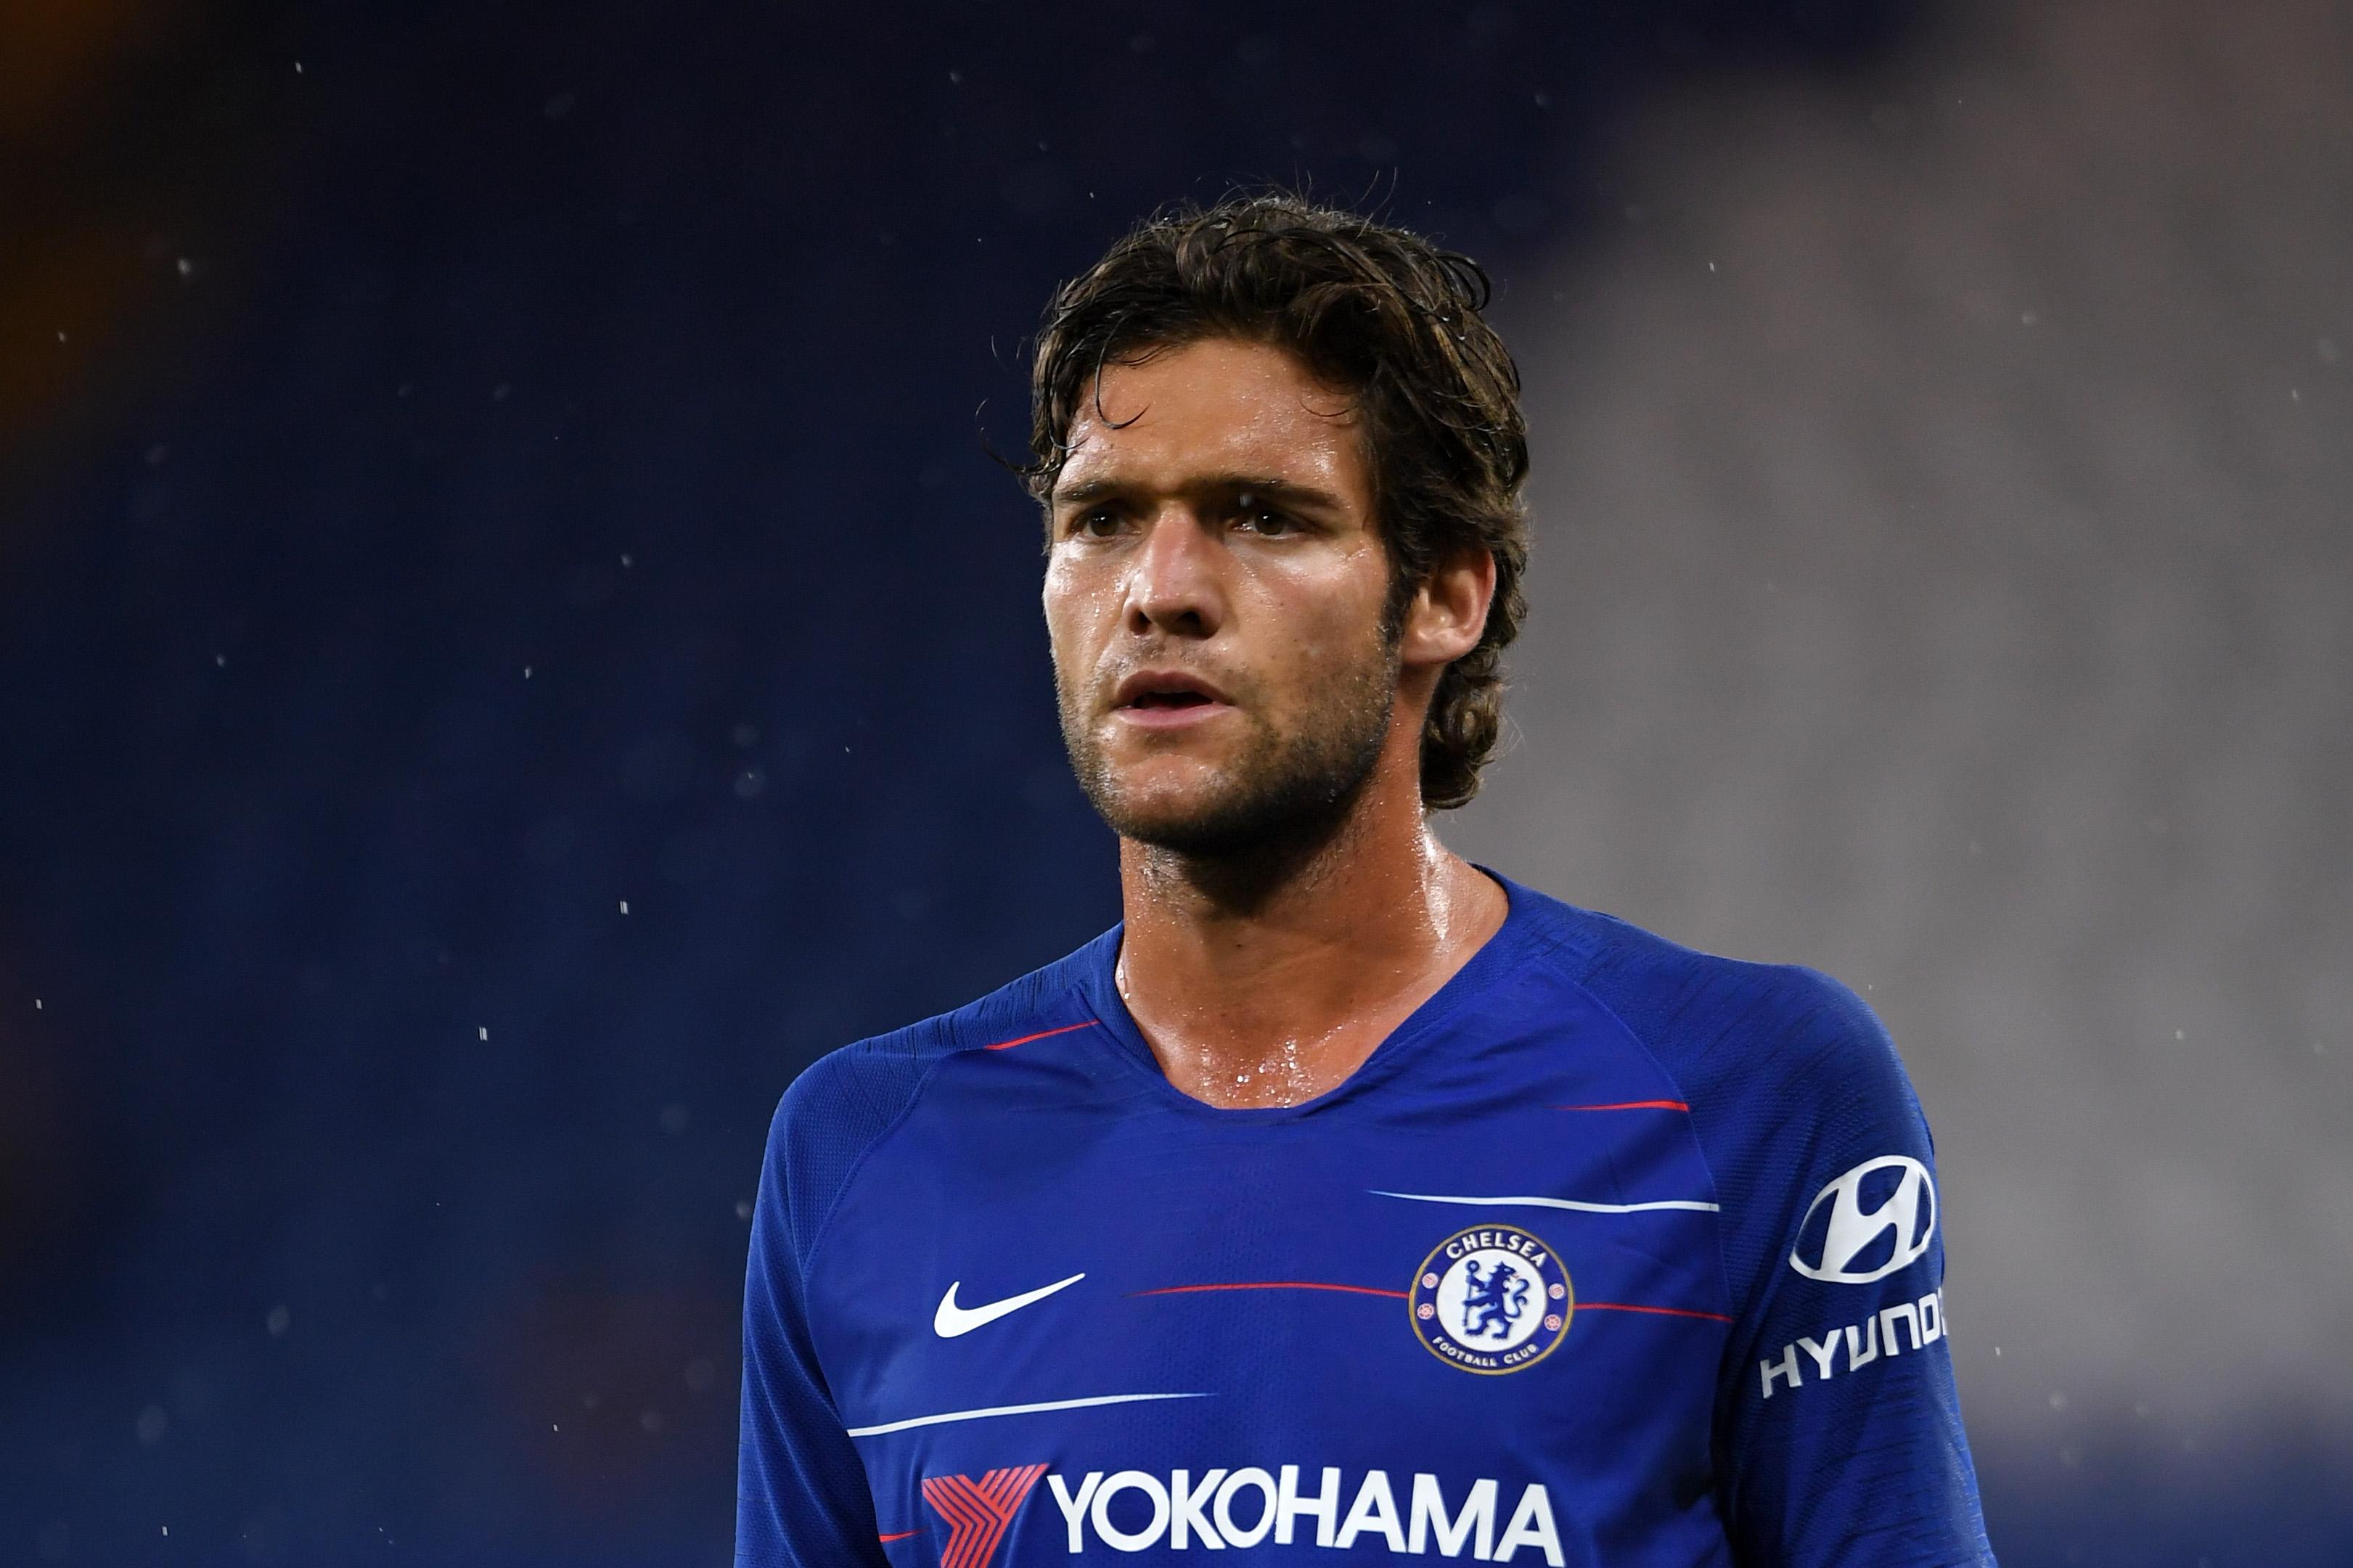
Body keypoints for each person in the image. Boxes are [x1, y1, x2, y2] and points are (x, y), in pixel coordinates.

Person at [736, 195, 1994, 1567]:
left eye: (1261, 516)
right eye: (1101, 520)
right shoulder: (862, 1151)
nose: (1159, 588)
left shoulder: (1750, 1091)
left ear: (1446, 594)